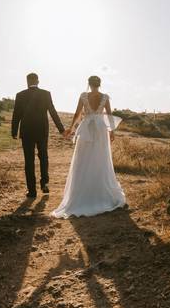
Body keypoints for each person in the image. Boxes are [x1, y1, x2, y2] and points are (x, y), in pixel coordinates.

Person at [52, 75, 126, 218]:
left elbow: (78, 113)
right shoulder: (105, 97)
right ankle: (99, 192)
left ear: (89, 84)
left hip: (86, 129)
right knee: (100, 160)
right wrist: (112, 131)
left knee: (83, 161)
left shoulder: (84, 96)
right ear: (99, 84)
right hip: (100, 130)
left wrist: (71, 128)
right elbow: (109, 115)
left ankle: (82, 194)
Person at [11, 72, 65, 198]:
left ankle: (32, 191)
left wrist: (14, 131)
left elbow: (16, 114)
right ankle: (44, 183)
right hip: (42, 131)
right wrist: (61, 129)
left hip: (27, 131)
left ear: (27, 81)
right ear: (38, 81)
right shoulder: (46, 94)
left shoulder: (20, 95)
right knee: (43, 156)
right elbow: (53, 112)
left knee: (29, 161)